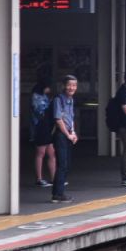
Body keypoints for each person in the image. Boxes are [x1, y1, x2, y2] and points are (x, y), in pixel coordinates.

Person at [51, 75, 79, 203]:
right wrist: (67, 135)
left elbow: (70, 118)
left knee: (66, 164)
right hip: (60, 134)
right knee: (62, 164)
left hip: (67, 133)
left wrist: (73, 132)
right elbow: (58, 119)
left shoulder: (71, 99)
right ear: (63, 86)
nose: (71, 88)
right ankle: (57, 194)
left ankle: (58, 192)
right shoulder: (58, 99)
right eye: (69, 85)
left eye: (74, 85)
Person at [30, 81, 56, 187]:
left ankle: (54, 178)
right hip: (40, 126)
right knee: (41, 152)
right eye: (47, 87)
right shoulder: (36, 97)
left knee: (51, 153)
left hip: (47, 126)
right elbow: (40, 111)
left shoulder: (43, 96)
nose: (49, 90)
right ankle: (39, 178)